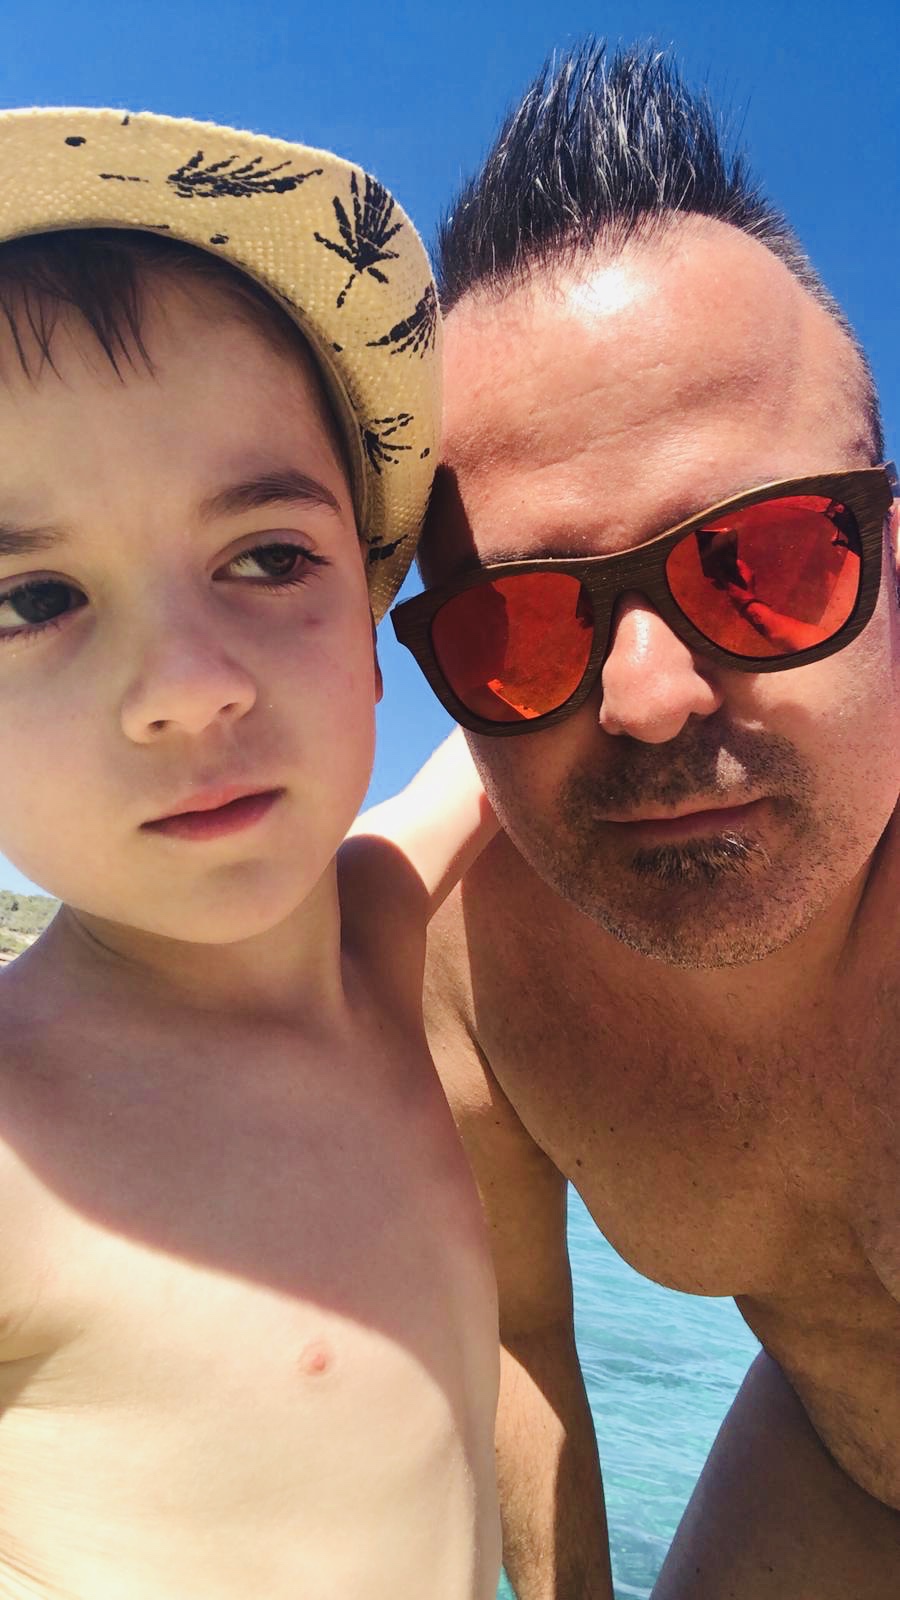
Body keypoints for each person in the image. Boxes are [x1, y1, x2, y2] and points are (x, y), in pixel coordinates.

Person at [393, 42, 900, 1599]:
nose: (648, 697)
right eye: (518, 629)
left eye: (767, 563)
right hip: (847, 1461)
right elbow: (516, 1336)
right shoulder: (473, 977)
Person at [0, 107, 502, 1597]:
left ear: (373, 637)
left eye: (269, 559)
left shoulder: (379, 930)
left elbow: (501, 755)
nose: (186, 688)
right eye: (33, 599)